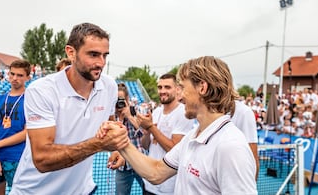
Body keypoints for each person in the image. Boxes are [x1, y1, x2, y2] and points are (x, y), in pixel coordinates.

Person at [107, 56, 257, 194]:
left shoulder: (230, 146)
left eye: (183, 88)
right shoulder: (193, 137)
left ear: (202, 88)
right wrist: (122, 143)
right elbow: (156, 172)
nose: (180, 96)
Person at [9, 23, 129, 195]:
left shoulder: (109, 85)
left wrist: (118, 147)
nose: (101, 63)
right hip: (34, 191)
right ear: (71, 52)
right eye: (93, 54)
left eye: (104, 55)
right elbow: (42, 159)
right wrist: (98, 144)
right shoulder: (42, 90)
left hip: (82, 190)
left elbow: (109, 124)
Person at [138, 73, 194, 195]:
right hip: (149, 182)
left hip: (168, 187)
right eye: (160, 87)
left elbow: (174, 148)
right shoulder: (157, 111)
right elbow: (146, 145)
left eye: (167, 87)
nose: (162, 91)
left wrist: (151, 128)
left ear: (177, 89)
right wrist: (147, 132)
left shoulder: (183, 113)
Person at [0, 60, 31, 195]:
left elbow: (27, 132)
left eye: (20, 75)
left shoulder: (31, 100)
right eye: (12, 74)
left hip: (18, 159)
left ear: (28, 77)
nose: (14, 78)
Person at [112, 83, 146, 194]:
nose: (119, 102)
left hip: (140, 162)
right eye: (116, 99)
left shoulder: (137, 111)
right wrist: (120, 119)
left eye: (121, 99)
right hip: (123, 167)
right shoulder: (112, 115)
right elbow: (113, 139)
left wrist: (129, 117)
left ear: (127, 98)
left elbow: (144, 133)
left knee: (149, 191)